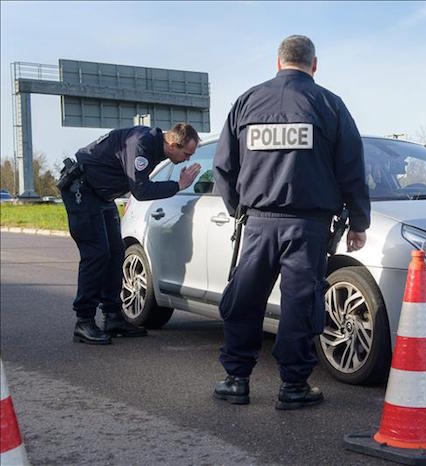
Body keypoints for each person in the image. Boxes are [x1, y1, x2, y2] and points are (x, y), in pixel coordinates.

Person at [212, 35, 370, 410]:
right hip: (308, 227)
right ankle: (294, 387)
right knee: (301, 303)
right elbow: (351, 169)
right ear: (314, 65)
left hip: (257, 222)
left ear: (278, 62)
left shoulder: (247, 101)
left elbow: (223, 167)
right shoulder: (330, 105)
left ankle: (236, 380)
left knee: (245, 297)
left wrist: (240, 210)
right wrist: (359, 222)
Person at [61, 123, 201, 345]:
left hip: (102, 195)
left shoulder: (154, 145)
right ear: (173, 144)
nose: (187, 159)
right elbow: (141, 189)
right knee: (96, 255)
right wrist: (178, 185)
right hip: (83, 190)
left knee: (116, 254)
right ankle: (84, 321)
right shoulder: (142, 144)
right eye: (186, 154)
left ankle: (113, 317)